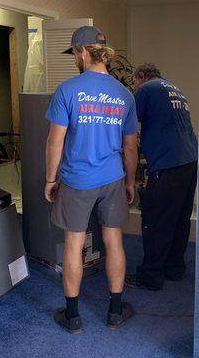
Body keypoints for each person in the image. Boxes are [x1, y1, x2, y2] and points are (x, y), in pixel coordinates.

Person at [44, 26, 138, 333]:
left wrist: (49, 179)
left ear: (83, 51)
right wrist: (129, 182)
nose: (74, 58)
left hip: (76, 179)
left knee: (73, 243)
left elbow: (55, 142)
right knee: (113, 240)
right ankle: (114, 312)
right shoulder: (124, 94)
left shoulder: (68, 90)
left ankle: (72, 317)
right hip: (112, 178)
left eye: (73, 53)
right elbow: (130, 147)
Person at [125, 63, 198, 291]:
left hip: (168, 164)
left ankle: (150, 276)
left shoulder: (147, 90)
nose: (135, 87)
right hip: (190, 161)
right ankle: (174, 269)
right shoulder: (174, 89)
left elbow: (127, 124)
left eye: (134, 82)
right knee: (178, 219)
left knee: (155, 221)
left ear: (141, 77)